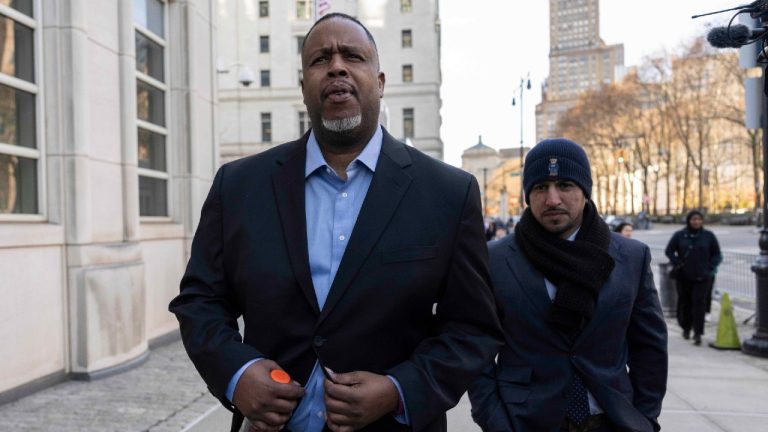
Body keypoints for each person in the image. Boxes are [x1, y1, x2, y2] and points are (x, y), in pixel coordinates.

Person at [168, 13, 502, 432]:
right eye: (320, 58)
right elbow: (199, 302)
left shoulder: (449, 193)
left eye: (353, 56)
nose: (337, 66)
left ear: (379, 82)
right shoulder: (238, 185)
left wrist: (399, 389)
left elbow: (473, 329)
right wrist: (238, 375)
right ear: (303, 86)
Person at [468, 138, 668, 432]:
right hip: (525, 422)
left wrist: (645, 418)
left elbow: (649, 347)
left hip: (614, 420)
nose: (552, 199)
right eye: (540, 188)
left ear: (585, 191)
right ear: (528, 195)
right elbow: (476, 349)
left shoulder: (632, 258)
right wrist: (495, 420)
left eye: (565, 185)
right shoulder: (494, 259)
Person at [664, 210, 722, 345]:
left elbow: (717, 254)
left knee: (699, 304)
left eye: (699, 219)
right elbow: (669, 250)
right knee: (685, 303)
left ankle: (698, 333)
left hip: (703, 277)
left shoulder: (708, 236)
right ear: (689, 221)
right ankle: (686, 327)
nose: (696, 222)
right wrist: (677, 262)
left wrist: (710, 267)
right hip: (684, 276)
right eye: (693, 219)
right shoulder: (680, 235)